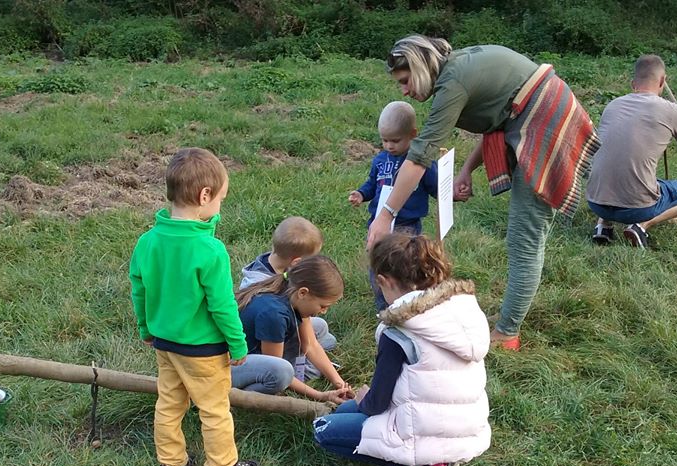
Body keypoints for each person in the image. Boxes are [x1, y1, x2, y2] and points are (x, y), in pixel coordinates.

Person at [372, 36, 600, 350]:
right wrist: (466, 170)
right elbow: (499, 116)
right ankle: (511, 316)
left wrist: (385, 215)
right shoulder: (457, 69)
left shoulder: (453, 82)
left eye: (406, 81)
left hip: (546, 124)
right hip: (533, 116)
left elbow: (420, 155)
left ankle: (507, 333)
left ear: (422, 69)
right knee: (523, 235)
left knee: (524, 237)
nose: (405, 91)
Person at [313, 233, 491, 466]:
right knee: (344, 412)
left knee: (324, 428)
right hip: (466, 427)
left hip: (426, 430)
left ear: (383, 281)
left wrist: (364, 399)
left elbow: (377, 403)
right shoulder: (459, 310)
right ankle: (439, 457)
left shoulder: (398, 332)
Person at [129, 147, 257, 466]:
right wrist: (238, 344)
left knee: (169, 402)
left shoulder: (147, 242)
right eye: (220, 200)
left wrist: (145, 327)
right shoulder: (209, 250)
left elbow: (139, 290)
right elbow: (223, 305)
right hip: (203, 349)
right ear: (204, 196)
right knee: (214, 410)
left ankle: (170, 462)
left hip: (164, 342)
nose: (219, 207)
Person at [586, 54, 677, 248]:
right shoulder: (670, 110)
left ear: (632, 83)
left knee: (617, 168)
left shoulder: (613, 105)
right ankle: (641, 225)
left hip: (595, 201)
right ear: (662, 81)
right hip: (636, 209)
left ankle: (603, 225)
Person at [349, 101, 438, 311]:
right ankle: (383, 305)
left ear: (412, 134)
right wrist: (361, 194)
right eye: (384, 140)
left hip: (408, 226)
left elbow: (435, 187)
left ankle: (406, 302)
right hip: (379, 224)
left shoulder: (419, 163)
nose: (389, 146)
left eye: (395, 140)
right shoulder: (381, 160)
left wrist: (451, 192)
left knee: (405, 265)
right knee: (378, 264)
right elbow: (373, 183)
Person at [233, 255, 353, 404]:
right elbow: (275, 365)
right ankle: (239, 395)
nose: (324, 311)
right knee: (282, 373)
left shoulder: (290, 292)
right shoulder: (274, 315)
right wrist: (320, 396)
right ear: (303, 293)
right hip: (227, 366)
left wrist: (339, 382)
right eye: (323, 306)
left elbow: (311, 345)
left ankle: (299, 373)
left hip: (258, 351)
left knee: (320, 327)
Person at [238, 216, 337, 379]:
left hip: (279, 328)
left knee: (323, 330)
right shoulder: (266, 295)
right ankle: (300, 371)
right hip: (263, 342)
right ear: (296, 262)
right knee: (317, 354)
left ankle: (302, 358)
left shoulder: (274, 265)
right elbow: (272, 358)